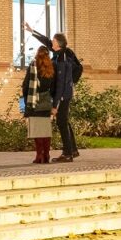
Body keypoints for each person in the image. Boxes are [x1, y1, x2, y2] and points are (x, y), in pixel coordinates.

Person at [24, 23, 82, 161]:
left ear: (59, 44)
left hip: (63, 95)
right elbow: (46, 41)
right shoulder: (59, 52)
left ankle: (67, 154)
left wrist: (56, 105)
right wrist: (32, 31)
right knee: (64, 121)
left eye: (54, 42)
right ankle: (72, 150)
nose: (51, 43)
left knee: (62, 122)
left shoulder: (62, 58)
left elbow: (61, 84)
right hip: (64, 93)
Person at [21, 46, 55, 164]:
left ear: (37, 54)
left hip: (34, 101)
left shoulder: (33, 66)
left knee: (37, 130)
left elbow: (26, 85)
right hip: (46, 102)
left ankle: (39, 155)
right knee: (45, 130)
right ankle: (46, 154)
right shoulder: (51, 67)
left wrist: (26, 99)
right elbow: (53, 86)